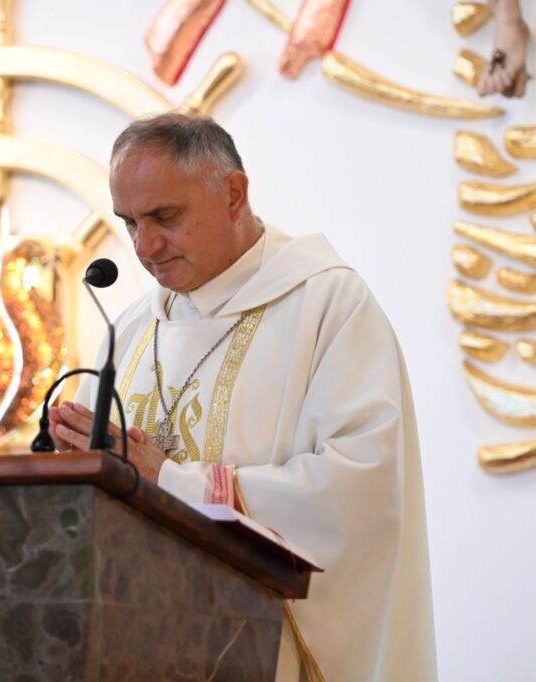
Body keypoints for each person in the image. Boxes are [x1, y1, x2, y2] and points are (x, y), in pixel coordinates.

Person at [49, 112, 436, 681]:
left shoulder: (325, 305)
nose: (145, 246)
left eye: (165, 217)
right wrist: (73, 469)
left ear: (233, 195)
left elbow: (358, 492)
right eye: (129, 223)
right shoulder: (130, 329)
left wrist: (172, 481)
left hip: (254, 650)